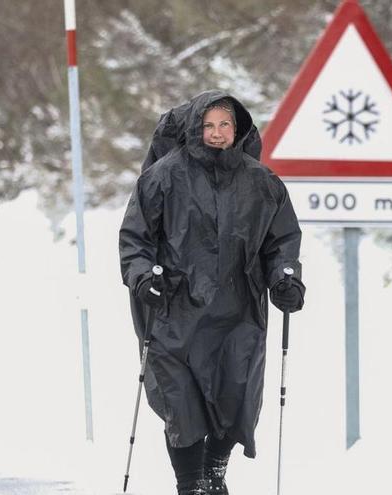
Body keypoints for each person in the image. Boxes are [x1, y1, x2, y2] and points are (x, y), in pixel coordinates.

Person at [119, 90, 305, 495]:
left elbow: (281, 242)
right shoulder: (163, 177)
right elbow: (135, 240)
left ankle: (215, 471)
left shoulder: (262, 182)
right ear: (194, 128)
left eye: (225, 125)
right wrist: (142, 277)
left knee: (235, 394)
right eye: (209, 125)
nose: (217, 133)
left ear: (237, 129)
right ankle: (190, 484)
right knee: (181, 403)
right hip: (174, 311)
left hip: (238, 312)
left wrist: (286, 278)